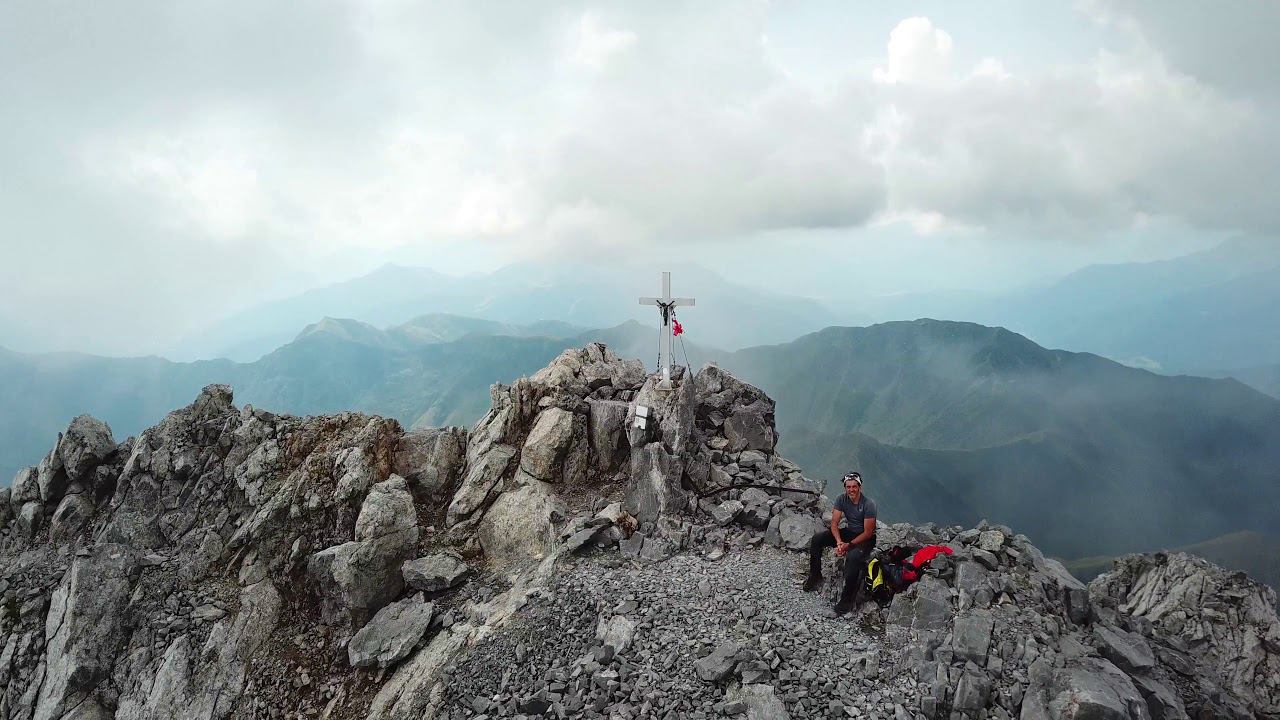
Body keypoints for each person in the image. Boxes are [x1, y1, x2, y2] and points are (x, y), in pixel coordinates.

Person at [803, 471, 877, 614]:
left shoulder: (869, 504)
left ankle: (846, 601)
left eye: (854, 487)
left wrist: (848, 546)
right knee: (817, 539)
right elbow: (834, 523)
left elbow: (868, 532)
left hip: (865, 538)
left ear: (859, 487)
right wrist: (839, 542)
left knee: (853, 558)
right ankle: (815, 575)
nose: (851, 490)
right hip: (849, 532)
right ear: (845, 487)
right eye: (848, 487)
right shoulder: (841, 499)